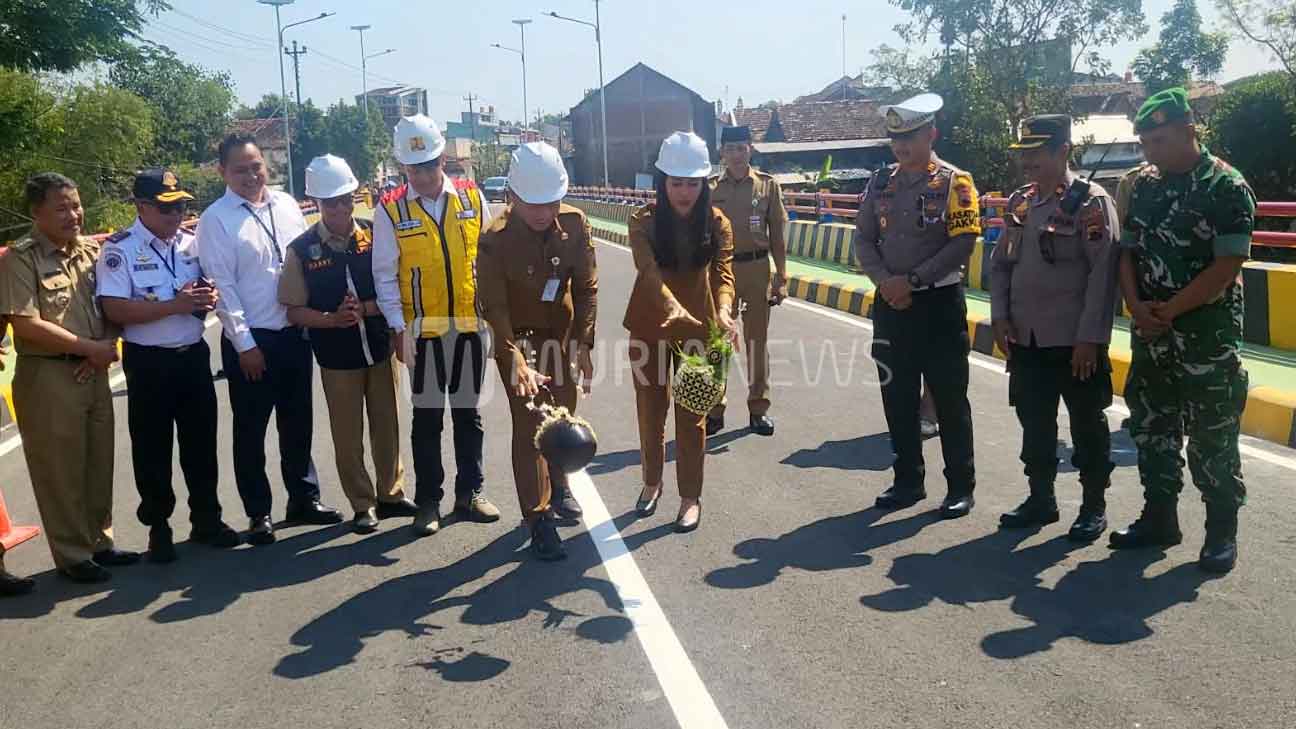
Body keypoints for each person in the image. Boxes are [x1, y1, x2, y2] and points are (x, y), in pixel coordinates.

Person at [1112, 88, 1255, 574]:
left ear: (1189, 132)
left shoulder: (1225, 186)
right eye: (1145, 142)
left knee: (1212, 436)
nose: (1149, 151)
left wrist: (1168, 309)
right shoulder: (1145, 186)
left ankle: (1220, 530)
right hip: (1151, 332)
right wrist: (1135, 305)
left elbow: (1226, 266)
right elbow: (1126, 251)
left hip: (1205, 336)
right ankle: (1159, 518)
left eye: (1158, 140)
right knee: (1151, 426)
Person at [196, 134, 341, 546]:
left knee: (298, 423)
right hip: (254, 342)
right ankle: (259, 511)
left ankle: (303, 499)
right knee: (251, 430)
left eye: (256, 165)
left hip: (296, 333)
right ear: (222, 172)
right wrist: (245, 345)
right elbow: (222, 287)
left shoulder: (287, 205)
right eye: (240, 169)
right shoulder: (217, 219)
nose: (251, 175)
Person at [0, 173, 139, 583]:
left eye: (76, 205)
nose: (73, 214)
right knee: (59, 471)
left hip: (93, 370)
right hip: (48, 376)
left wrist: (105, 346)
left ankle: (100, 541)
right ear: (36, 213)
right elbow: (24, 323)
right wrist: (89, 348)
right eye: (61, 208)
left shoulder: (92, 252)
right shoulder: (21, 260)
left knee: (98, 462)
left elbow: (115, 302)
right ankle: (73, 555)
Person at [96, 168, 241, 563]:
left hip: (193, 356)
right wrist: (173, 306)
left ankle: (207, 519)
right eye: (166, 209)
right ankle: (159, 527)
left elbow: (209, 288)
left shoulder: (191, 244)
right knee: (152, 448)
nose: (176, 215)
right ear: (141, 207)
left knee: (201, 444)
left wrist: (205, 298)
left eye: (180, 206)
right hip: (149, 363)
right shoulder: (119, 250)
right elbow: (114, 307)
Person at [990, 115, 1121, 542]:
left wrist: (1090, 338)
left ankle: (1092, 506)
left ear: (1063, 151)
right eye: (1023, 154)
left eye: (1037, 153)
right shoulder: (1020, 204)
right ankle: (1040, 499)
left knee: (1086, 425)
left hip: (1073, 341)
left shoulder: (1090, 203)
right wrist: (1000, 316)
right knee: (1035, 424)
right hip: (1026, 339)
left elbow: (1103, 275)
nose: (1028, 162)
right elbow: (1002, 264)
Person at [852, 93, 979, 519]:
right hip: (891, 305)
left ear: (931, 134)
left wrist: (913, 280)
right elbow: (864, 239)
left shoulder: (955, 182)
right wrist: (885, 282)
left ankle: (960, 485)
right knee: (898, 398)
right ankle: (908, 480)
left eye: (909, 136)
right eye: (895, 138)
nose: (901, 146)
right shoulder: (880, 182)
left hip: (938, 305)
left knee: (948, 398)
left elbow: (963, 242)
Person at [373, 115, 500, 536]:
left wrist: (492, 322)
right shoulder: (390, 209)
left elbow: (488, 260)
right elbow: (385, 275)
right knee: (427, 420)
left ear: (443, 158)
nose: (425, 175)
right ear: (402, 168)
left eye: (430, 164)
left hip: (467, 327)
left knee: (469, 416)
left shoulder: (470, 197)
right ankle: (429, 501)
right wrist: (397, 329)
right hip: (422, 334)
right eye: (415, 168)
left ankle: (471, 492)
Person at [278, 155, 417, 534]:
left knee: (387, 424)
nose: (340, 208)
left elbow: (397, 286)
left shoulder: (376, 233)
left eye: (345, 199)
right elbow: (292, 309)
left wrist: (368, 309)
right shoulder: (302, 250)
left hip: (379, 347)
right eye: (330, 202)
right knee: (347, 433)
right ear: (317, 205)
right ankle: (362, 503)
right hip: (337, 357)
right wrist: (330, 320)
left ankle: (391, 493)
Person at [477, 142, 598, 559]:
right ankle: (538, 517)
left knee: (562, 417)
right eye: (534, 205)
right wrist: (517, 364)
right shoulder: (494, 240)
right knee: (529, 427)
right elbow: (493, 308)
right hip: (519, 339)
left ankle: (561, 487)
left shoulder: (576, 224)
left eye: (551, 202)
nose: (544, 212)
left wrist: (585, 342)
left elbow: (586, 287)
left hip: (560, 338)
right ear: (512, 197)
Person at [625, 131, 737, 533]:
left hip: (700, 332)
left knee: (693, 418)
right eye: (677, 183)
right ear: (662, 182)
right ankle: (651, 483)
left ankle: (690, 498)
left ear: (704, 183)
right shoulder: (643, 222)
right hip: (650, 326)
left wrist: (723, 311)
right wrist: (675, 311)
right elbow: (648, 273)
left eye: (693, 183)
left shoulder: (718, 223)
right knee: (651, 412)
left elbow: (724, 273)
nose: (685, 192)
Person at [707, 125, 788, 436]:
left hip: (756, 269)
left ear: (750, 150)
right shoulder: (711, 188)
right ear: (722, 153)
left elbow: (778, 236)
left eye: (742, 148)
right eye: (731, 149)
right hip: (721, 270)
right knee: (718, 340)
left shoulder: (767, 187)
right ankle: (715, 409)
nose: (737, 154)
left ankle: (758, 409)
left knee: (757, 342)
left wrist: (781, 277)